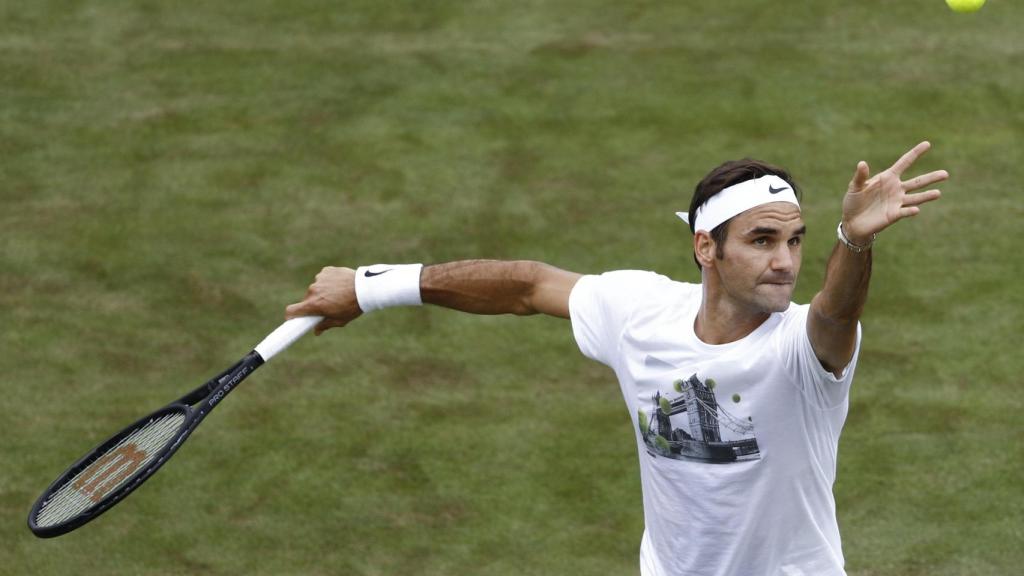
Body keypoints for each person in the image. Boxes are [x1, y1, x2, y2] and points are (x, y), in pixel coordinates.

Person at [284, 142, 947, 576]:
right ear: (706, 249)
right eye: (763, 239)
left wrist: (852, 242)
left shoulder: (805, 348)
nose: (785, 262)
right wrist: (369, 288)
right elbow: (525, 284)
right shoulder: (639, 313)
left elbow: (837, 311)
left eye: (797, 241)